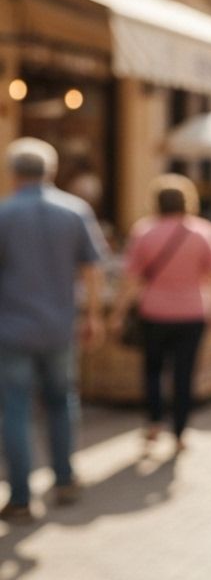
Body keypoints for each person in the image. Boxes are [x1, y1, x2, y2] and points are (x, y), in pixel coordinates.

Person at [0, 137, 107, 523]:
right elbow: (93, 270)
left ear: (13, 173)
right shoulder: (74, 210)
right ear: (51, 171)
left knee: (15, 409)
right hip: (60, 326)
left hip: (11, 328)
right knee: (62, 402)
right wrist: (93, 315)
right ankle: (64, 479)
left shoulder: (5, 213)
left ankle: (21, 496)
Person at [112, 174, 211, 453]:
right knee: (184, 373)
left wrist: (117, 313)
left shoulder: (144, 232)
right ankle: (179, 432)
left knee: (153, 369)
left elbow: (131, 279)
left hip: (153, 311)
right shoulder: (203, 232)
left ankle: (154, 421)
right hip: (193, 313)